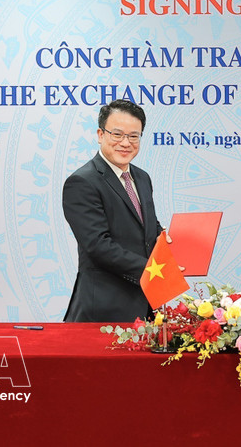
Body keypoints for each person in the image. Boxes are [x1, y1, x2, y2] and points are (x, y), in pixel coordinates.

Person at [63, 99, 164, 322]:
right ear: (101, 134)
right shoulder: (82, 182)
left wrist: (172, 242)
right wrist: (154, 269)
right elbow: (98, 246)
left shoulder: (142, 177)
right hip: (103, 308)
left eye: (133, 136)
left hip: (146, 305)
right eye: (117, 134)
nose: (125, 143)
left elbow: (149, 229)